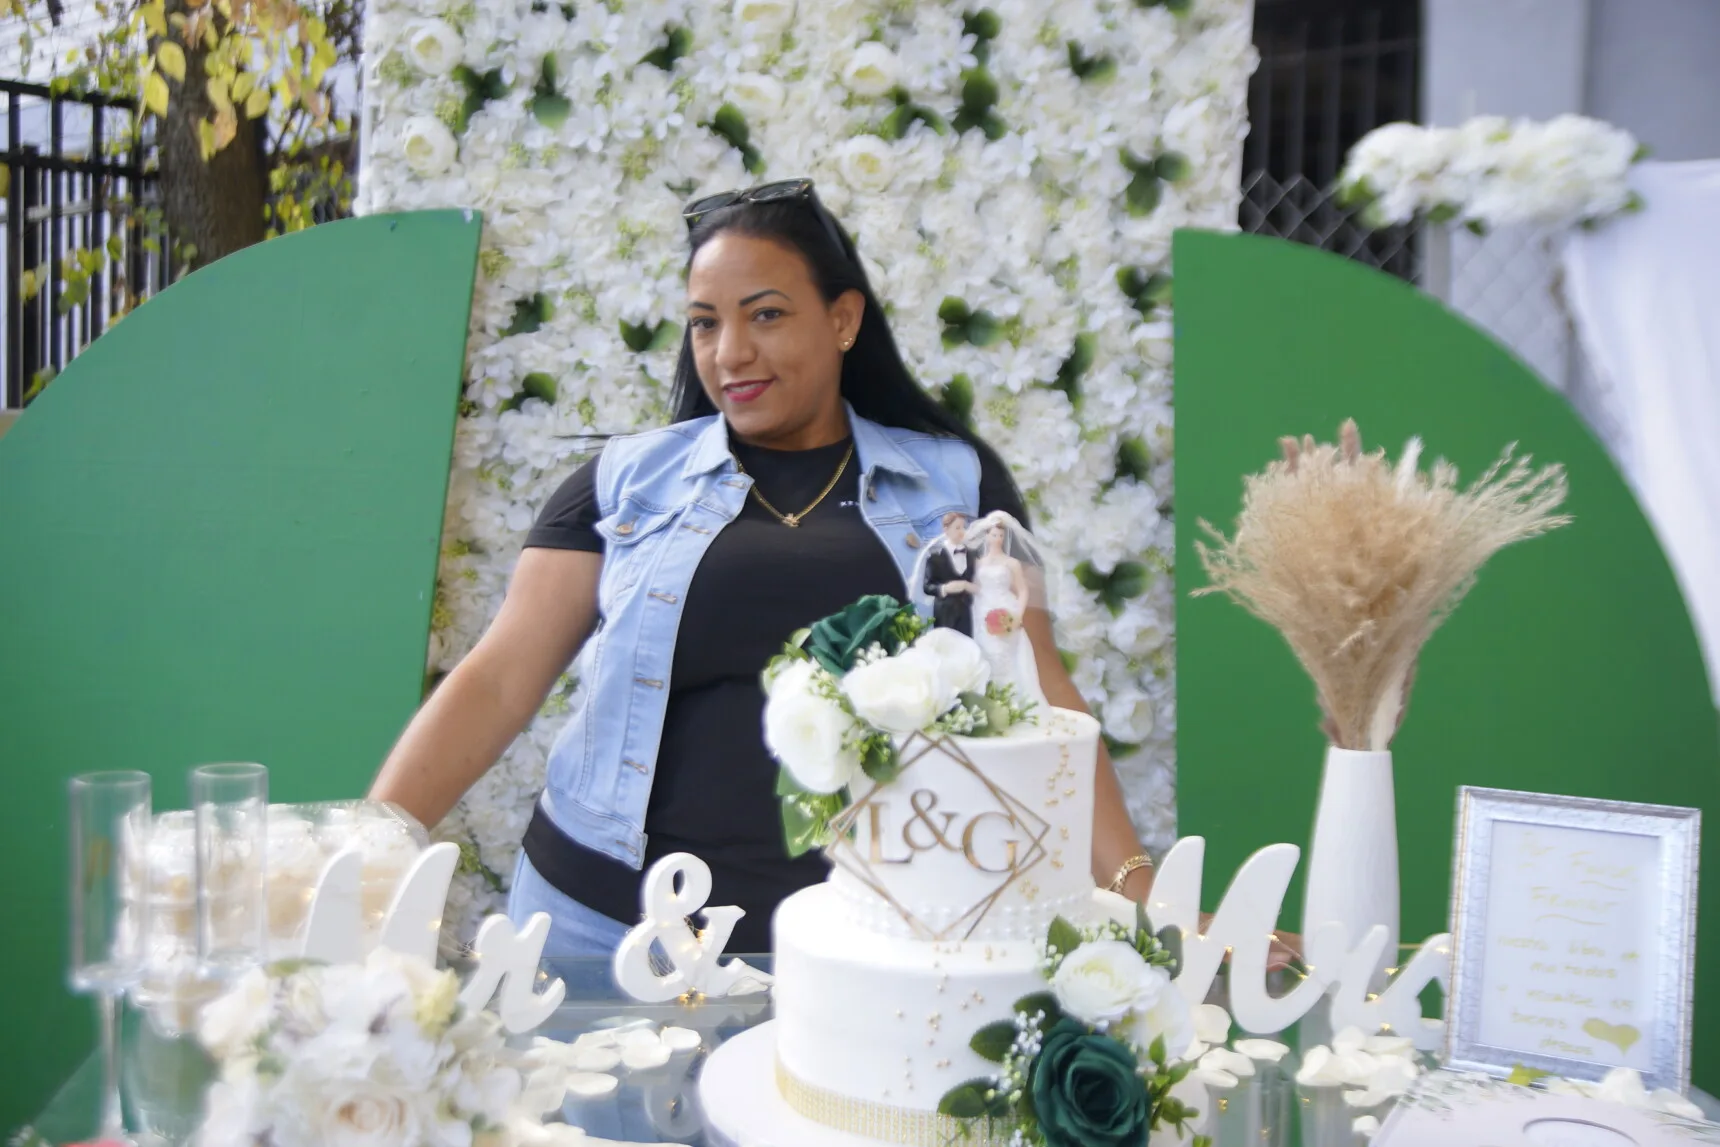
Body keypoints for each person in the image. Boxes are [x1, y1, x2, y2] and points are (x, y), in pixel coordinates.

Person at [367, 178, 1166, 958]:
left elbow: (1041, 693)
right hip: (607, 930)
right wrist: (362, 861)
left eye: (767, 315)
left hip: (868, 941)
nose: (730, 352)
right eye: (705, 323)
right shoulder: (625, 483)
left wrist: (1143, 896)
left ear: (843, 318)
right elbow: (499, 679)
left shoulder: (955, 485)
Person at [968, 512, 1049, 712]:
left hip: (1005, 607)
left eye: (1000, 536)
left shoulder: (1011, 563)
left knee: (1005, 653)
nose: (997, 539)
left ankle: (1011, 702)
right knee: (985, 652)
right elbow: (976, 587)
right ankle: (987, 700)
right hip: (981, 609)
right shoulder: (979, 563)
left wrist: (1018, 615)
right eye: (994, 535)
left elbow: (1022, 590)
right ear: (987, 536)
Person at [922, 512, 979, 636]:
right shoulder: (935, 556)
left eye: (963, 527)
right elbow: (927, 587)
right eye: (957, 528)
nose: (961, 531)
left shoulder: (972, 555)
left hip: (967, 611)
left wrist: (970, 587)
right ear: (946, 530)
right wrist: (945, 588)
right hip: (944, 613)